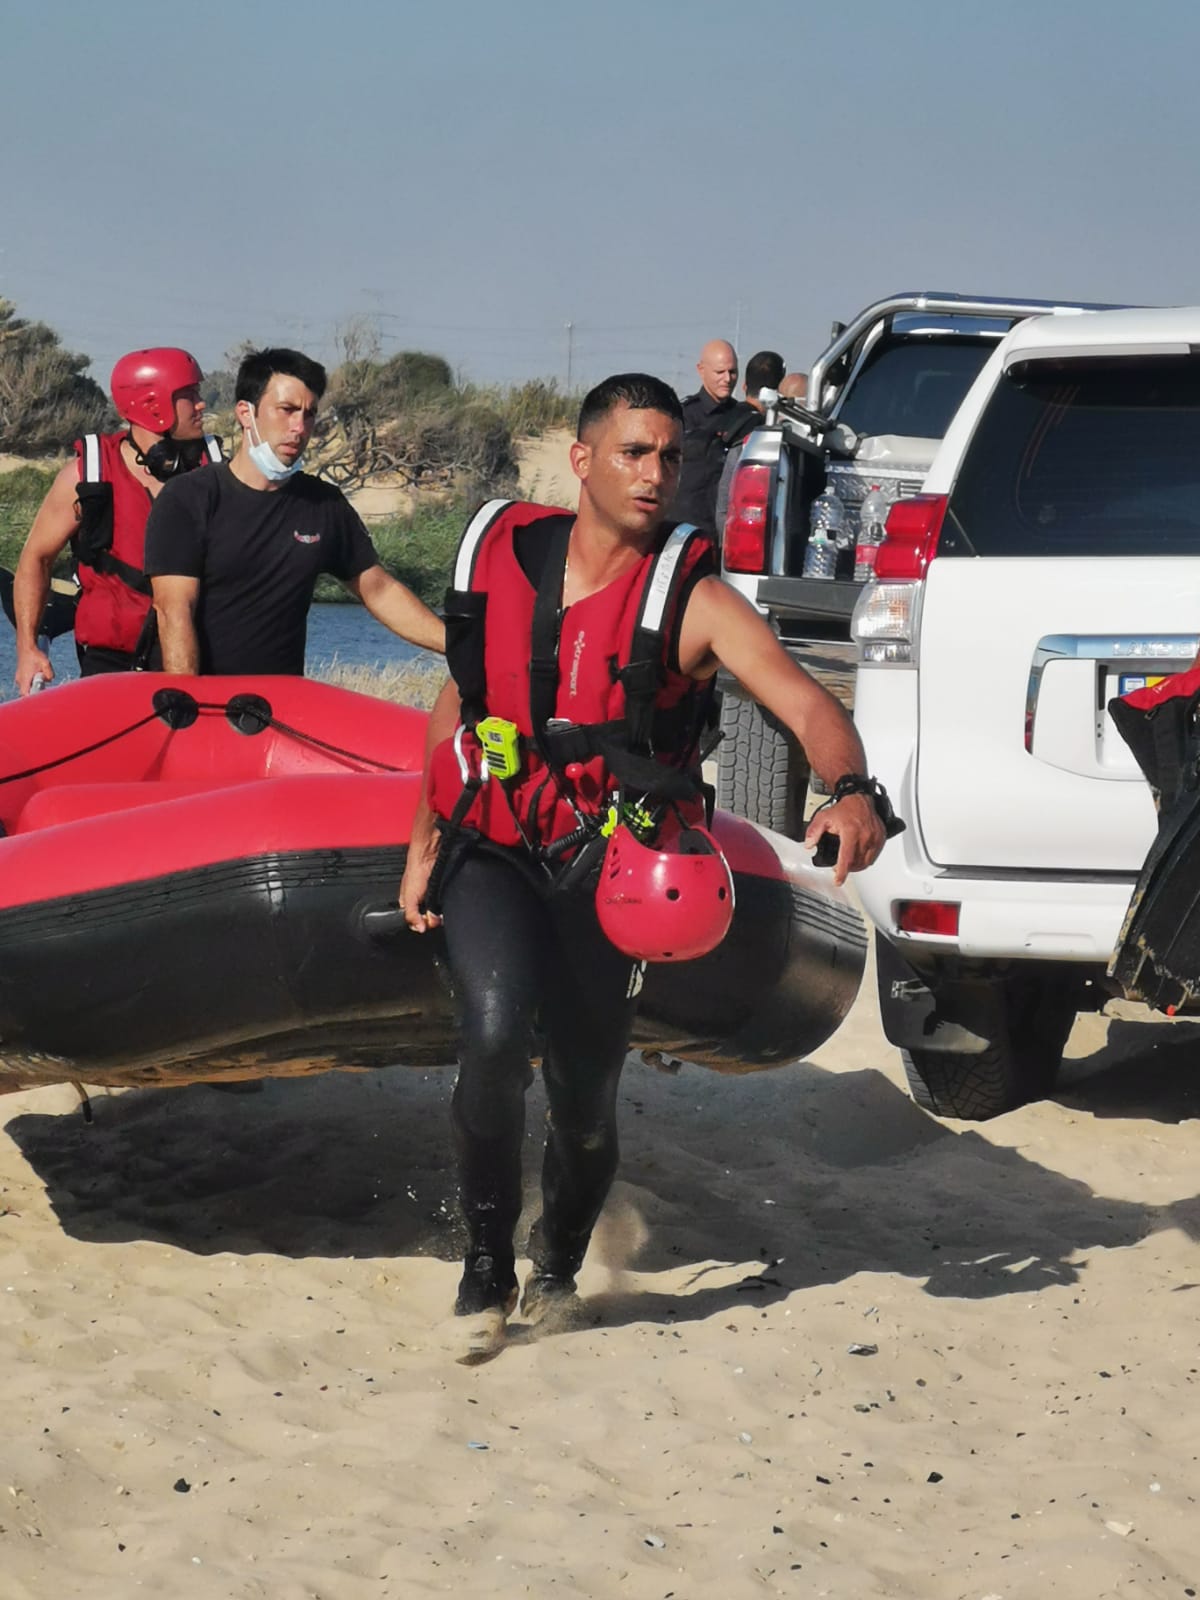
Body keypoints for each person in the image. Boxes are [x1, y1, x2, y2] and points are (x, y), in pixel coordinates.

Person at [399, 372, 891, 1347]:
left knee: (583, 1097)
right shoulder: (505, 565)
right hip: (497, 844)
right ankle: (487, 1263)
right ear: (581, 460)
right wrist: (422, 848)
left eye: (671, 455)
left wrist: (848, 790)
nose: (657, 472)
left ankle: (558, 1267)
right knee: (493, 1044)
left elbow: (803, 704)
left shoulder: (695, 601)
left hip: (610, 870)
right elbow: (460, 703)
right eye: (635, 451)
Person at [144, 348, 444, 674]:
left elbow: (380, 590)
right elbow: (173, 610)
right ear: (246, 413)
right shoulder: (189, 497)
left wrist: (461, 646)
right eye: (286, 410)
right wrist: (188, 704)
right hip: (201, 705)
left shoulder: (323, 504)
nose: (299, 428)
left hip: (279, 708)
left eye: (310, 414)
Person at [12, 348, 219, 693]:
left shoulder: (217, 471)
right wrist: (26, 649)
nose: (201, 404)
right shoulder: (89, 474)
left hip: (201, 658)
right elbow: (37, 558)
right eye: (189, 395)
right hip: (111, 666)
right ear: (153, 405)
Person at [671, 339, 757, 532]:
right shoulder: (681, 418)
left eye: (732, 372)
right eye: (720, 372)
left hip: (727, 532)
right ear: (701, 370)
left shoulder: (746, 418)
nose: (727, 379)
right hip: (685, 529)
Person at [713, 349, 786, 535]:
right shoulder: (764, 435)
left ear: (745, 386)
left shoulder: (721, 418)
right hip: (736, 531)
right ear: (778, 392)